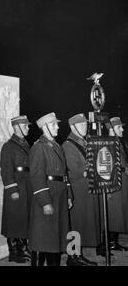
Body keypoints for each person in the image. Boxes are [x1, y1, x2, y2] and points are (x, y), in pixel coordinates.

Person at [28, 112, 73, 266]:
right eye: (54, 124)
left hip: (59, 196)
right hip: (48, 196)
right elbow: (36, 177)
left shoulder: (56, 146)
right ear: (45, 127)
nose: (58, 127)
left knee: (56, 238)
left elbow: (64, 173)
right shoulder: (39, 148)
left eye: (57, 124)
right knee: (45, 238)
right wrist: (45, 202)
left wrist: (68, 195)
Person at [62, 113, 99, 266]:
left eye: (86, 124)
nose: (86, 127)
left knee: (82, 224)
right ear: (73, 127)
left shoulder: (83, 142)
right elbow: (77, 170)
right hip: (77, 190)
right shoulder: (68, 145)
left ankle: (78, 255)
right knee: (75, 224)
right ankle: (73, 258)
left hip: (85, 190)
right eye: (82, 124)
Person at [0, 115, 32, 263]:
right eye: (25, 126)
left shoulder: (25, 144)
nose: (28, 128)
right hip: (17, 186)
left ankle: (22, 249)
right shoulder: (8, 146)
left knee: (22, 218)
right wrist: (12, 189)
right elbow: (6, 171)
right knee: (14, 220)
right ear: (16, 127)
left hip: (26, 186)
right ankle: (15, 251)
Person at [104, 117, 128, 253]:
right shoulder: (109, 144)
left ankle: (114, 242)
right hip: (114, 182)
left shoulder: (118, 142)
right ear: (112, 129)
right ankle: (110, 243)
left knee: (118, 213)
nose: (123, 129)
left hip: (121, 181)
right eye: (120, 127)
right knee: (113, 213)